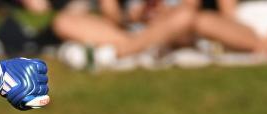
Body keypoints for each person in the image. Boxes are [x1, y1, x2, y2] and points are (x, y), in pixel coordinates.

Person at [52, 0, 200, 69]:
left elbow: (190, 9)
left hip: (171, 30)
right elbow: (112, 16)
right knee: (64, 21)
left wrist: (163, 13)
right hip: (129, 32)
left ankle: (119, 53)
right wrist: (131, 16)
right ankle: (140, 48)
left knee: (185, 17)